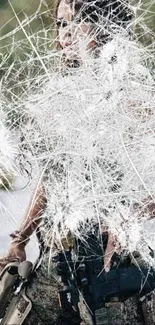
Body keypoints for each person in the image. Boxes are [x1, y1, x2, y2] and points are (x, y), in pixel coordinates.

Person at [1, 1, 155, 324]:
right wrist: (19, 241)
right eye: (60, 24)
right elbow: (52, 177)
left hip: (115, 285)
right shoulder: (61, 100)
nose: (65, 35)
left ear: (105, 24)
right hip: (57, 275)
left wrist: (128, 217)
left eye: (76, 22)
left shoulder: (133, 94)